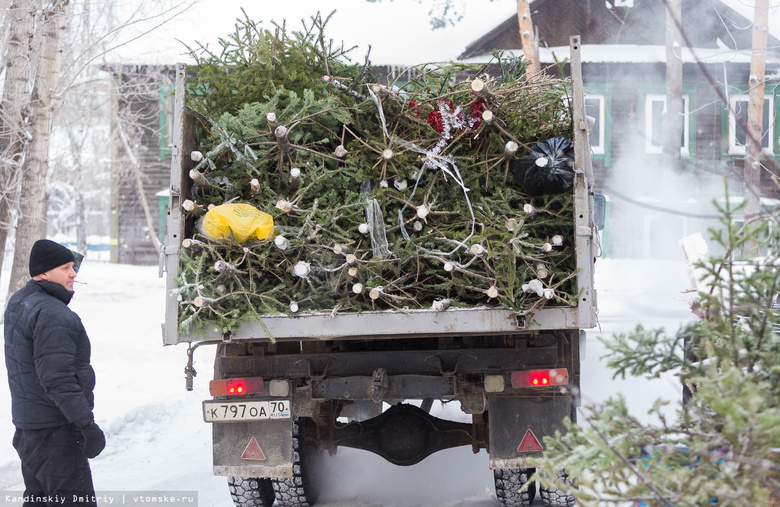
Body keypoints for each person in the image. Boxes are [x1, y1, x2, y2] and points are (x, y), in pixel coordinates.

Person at [4, 239, 106, 506]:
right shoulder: (52, 314)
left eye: (73, 266)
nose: (73, 274)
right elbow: (57, 379)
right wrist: (86, 425)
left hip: (30, 430)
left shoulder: (21, 301)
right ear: (43, 273)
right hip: (55, 433)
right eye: (65, 267)